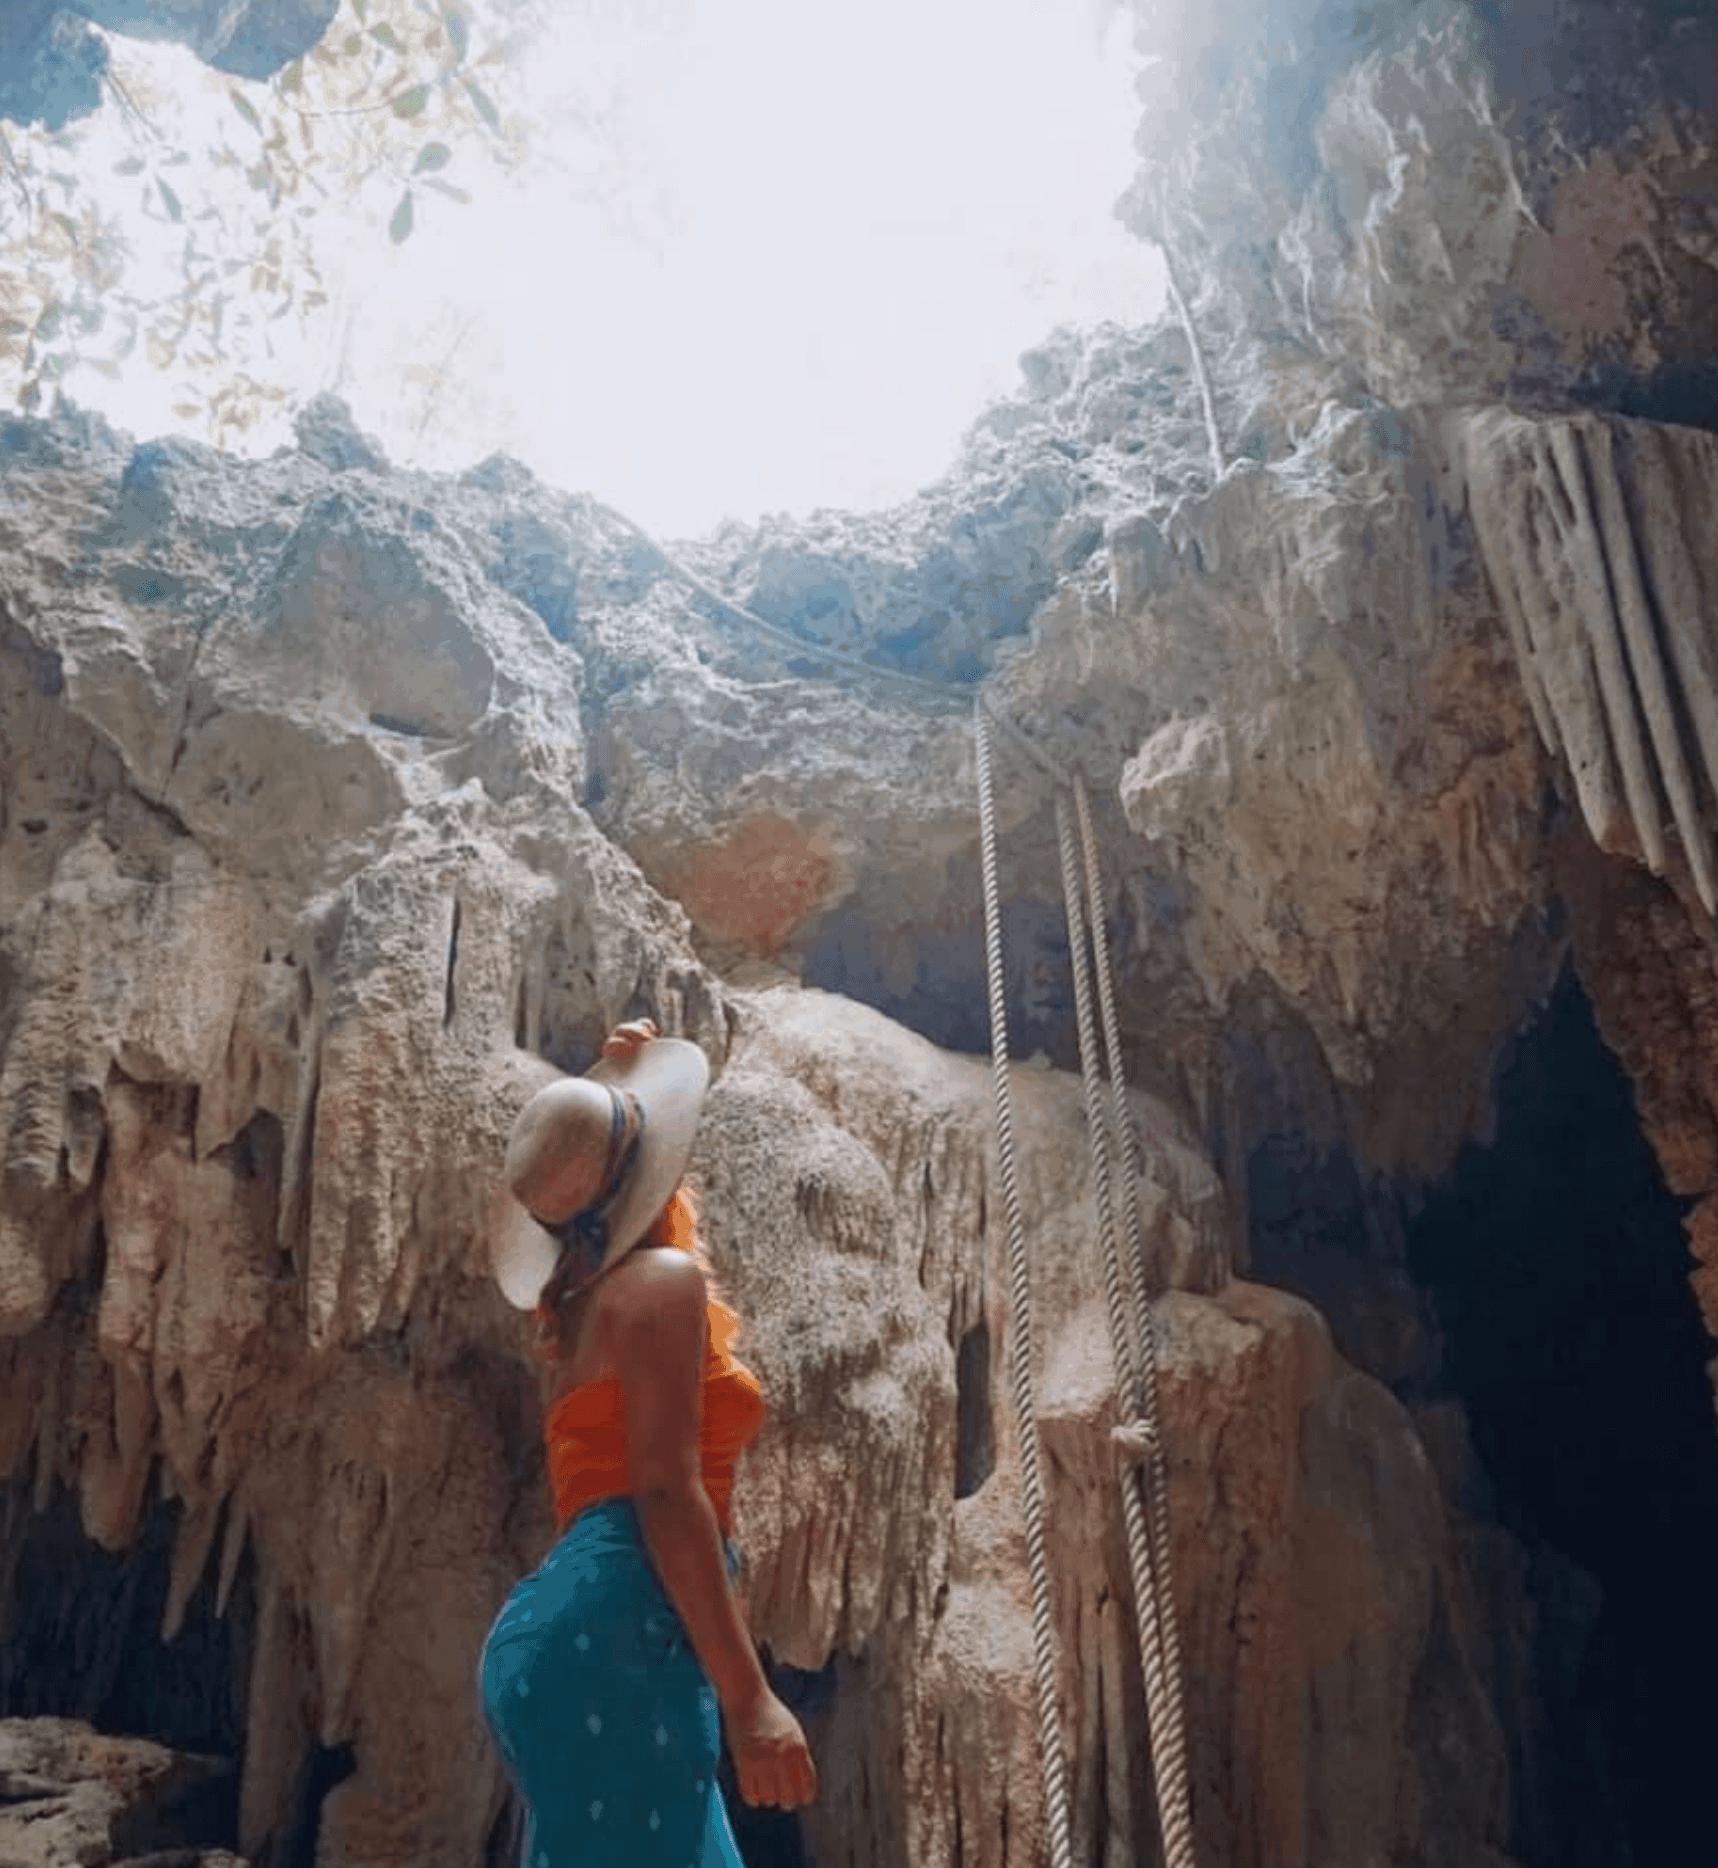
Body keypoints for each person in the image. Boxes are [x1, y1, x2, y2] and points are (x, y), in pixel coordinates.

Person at [478, 1017, 817, 1866]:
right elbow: (663, 1491)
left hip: (565, 1637)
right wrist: (749, 1702)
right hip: (623, 1633)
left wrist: (619, 1065)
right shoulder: (659, 1285)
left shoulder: (584, 1312)